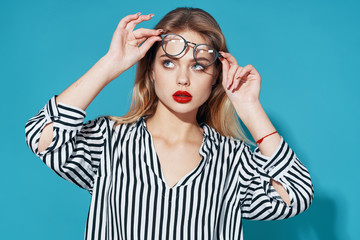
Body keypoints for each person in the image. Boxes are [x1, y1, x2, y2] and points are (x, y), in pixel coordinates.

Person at [25, 7, 314, 240]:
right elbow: (44, 137)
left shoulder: (232, 160)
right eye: (168, 63)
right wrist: (111, 64)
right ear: (150, 70)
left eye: (199, 66)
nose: (183, 78)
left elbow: (296, 194)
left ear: (216, 77)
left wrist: (249, 107)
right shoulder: (109, 141)